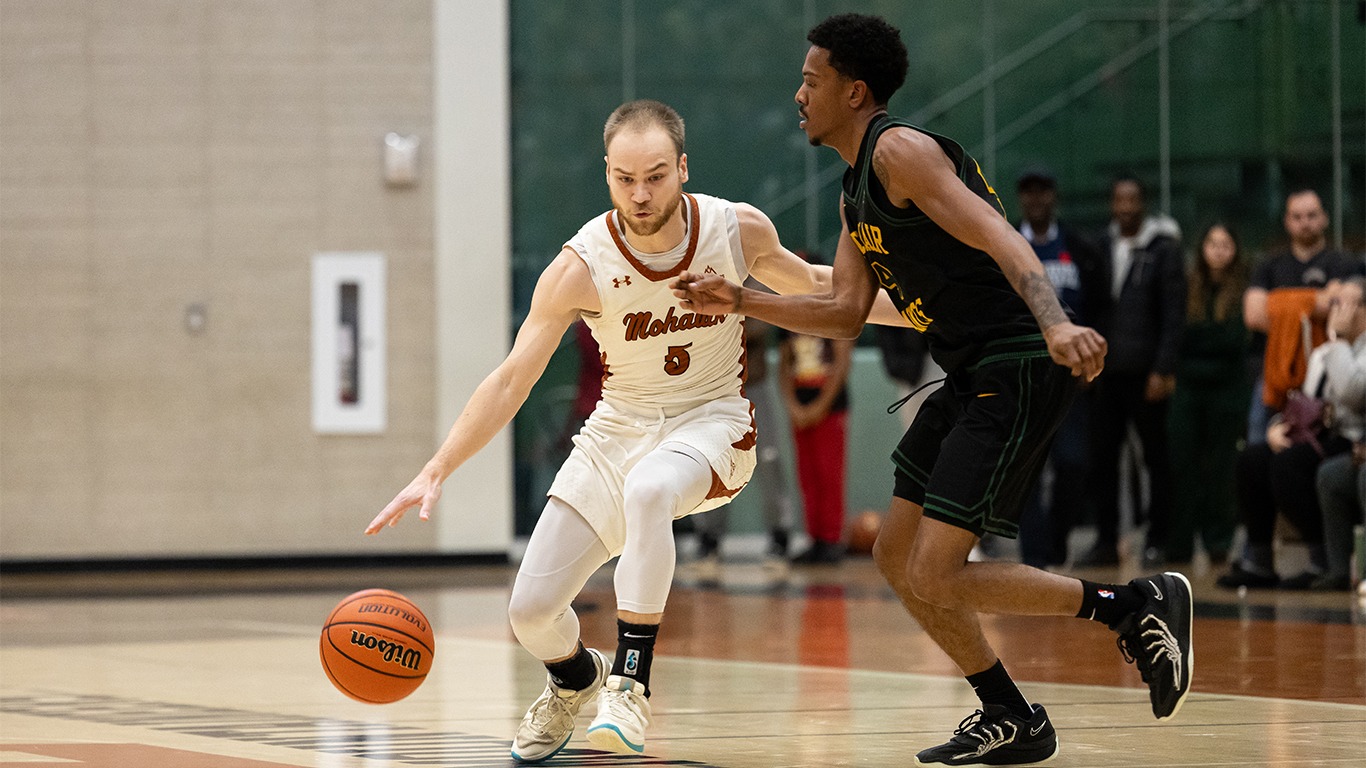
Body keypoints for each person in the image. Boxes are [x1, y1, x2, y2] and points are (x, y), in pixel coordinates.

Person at [672, 14, 1193, 766]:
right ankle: (1008, 713)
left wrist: (1054, 322)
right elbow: (844, 313)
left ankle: (1132, 605)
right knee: (896, 556)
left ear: (855, 92)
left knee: (936, 570)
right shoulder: (855, 193)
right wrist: (741, 299)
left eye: (811, 81)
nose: (799, 95)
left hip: (1016, 360)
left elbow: (999, 234)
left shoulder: (901, 152)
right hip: (970, 372)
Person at [366, 99, 902, 761]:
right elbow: (510, 380)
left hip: (713, 422)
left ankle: (629, 685)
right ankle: (574, 678)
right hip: (617, 431)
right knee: (530, 612)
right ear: (607, 174)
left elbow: (822, 288)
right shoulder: (581, 265)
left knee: (650, 488)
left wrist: (927, 314)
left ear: (683, 168)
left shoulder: (734, 230)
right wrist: (436, 467)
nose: (640, 194)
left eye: (655, 176)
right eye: (625, 179)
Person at [1217, 278, 1366, 590]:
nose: (1336, 311)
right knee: (1253, 459)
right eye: (1335, 303)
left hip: (1352, 439)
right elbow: (1303, 404)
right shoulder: (1324, 352)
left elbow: (1353, 393)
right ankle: (1259, 562)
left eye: (1346, 304)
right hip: (1319, 436)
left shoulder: (1349, 347)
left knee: (1290, 464)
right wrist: (1276, 428)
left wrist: (1338, 340)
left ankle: (1321, 560)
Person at [1081, 176, 1186, 567]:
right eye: (1119, 200)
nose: (1125, 207)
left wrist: (1163, 368)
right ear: (1111, 204)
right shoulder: (1099, 246)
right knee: (1103, 459)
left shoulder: (1163, 250)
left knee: (1155, 459)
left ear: (1143, 203)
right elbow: (1089, 307)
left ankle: (1158, 539)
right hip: (1105, 373)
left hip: (1146, 373)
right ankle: (1106, 541)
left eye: (1132, 200)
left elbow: (1174, 315)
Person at [1014, 166, 1103, 568]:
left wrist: (1092, 359)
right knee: (1026, 471)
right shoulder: (1006, 244)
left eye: (1043, 191)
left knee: (1073, 463)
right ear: (1021, 198)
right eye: (1029, 192)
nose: (1036, 199)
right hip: (1024, 376)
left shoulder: (1079, 247)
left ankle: (1056, 540)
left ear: (1054, 196)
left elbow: (1098, 307)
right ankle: (1035, 558)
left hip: (1070, 377)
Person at [687, 297, 797, 576]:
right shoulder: (706, 276)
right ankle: (709, 539)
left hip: (753, 384)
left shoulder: (756, 282)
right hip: (713, 389)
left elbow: (762, 323)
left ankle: (780, 536)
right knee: (710, 459)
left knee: (768, 458)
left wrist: (719, 323)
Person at [1242, 189, 1363, 444]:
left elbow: (1347, 309)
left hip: (1328, 371)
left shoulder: (1345, 263)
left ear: (1325, 218)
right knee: (1260, 446)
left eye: (1311, 215)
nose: (1305, 223)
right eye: (1297, 217)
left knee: (1314, 449)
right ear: (1287, 221)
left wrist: (1279, 303)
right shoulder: (1269, 265)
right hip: (1275, 373)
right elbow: (1254, 315)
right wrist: (1320, 299)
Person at [1166, 223, 1248, 566]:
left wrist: (1202, 346)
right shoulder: (1187, 287)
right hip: (1188, 390)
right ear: (1202, 248)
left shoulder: (1243, 290)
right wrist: (1206, 346)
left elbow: (1235, 341)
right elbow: (1178, 336)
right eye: (1212, 243)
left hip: (1227, 392)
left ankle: (1219, 542)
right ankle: (1180, 543)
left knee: (1221, 469)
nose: (1218, 250)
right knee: (1182, 464)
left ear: (1235, 250)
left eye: (1225, 243)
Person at [777, 270, 856, 564]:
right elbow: (784, 365)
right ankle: (815, 539)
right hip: (800, 403)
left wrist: (821, 406)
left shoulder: (833, 315)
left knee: (829, 473)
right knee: (807, 476)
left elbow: (842, 361)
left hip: (830, 406)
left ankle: (832, 539)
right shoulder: (788, 316)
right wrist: (793, 406)